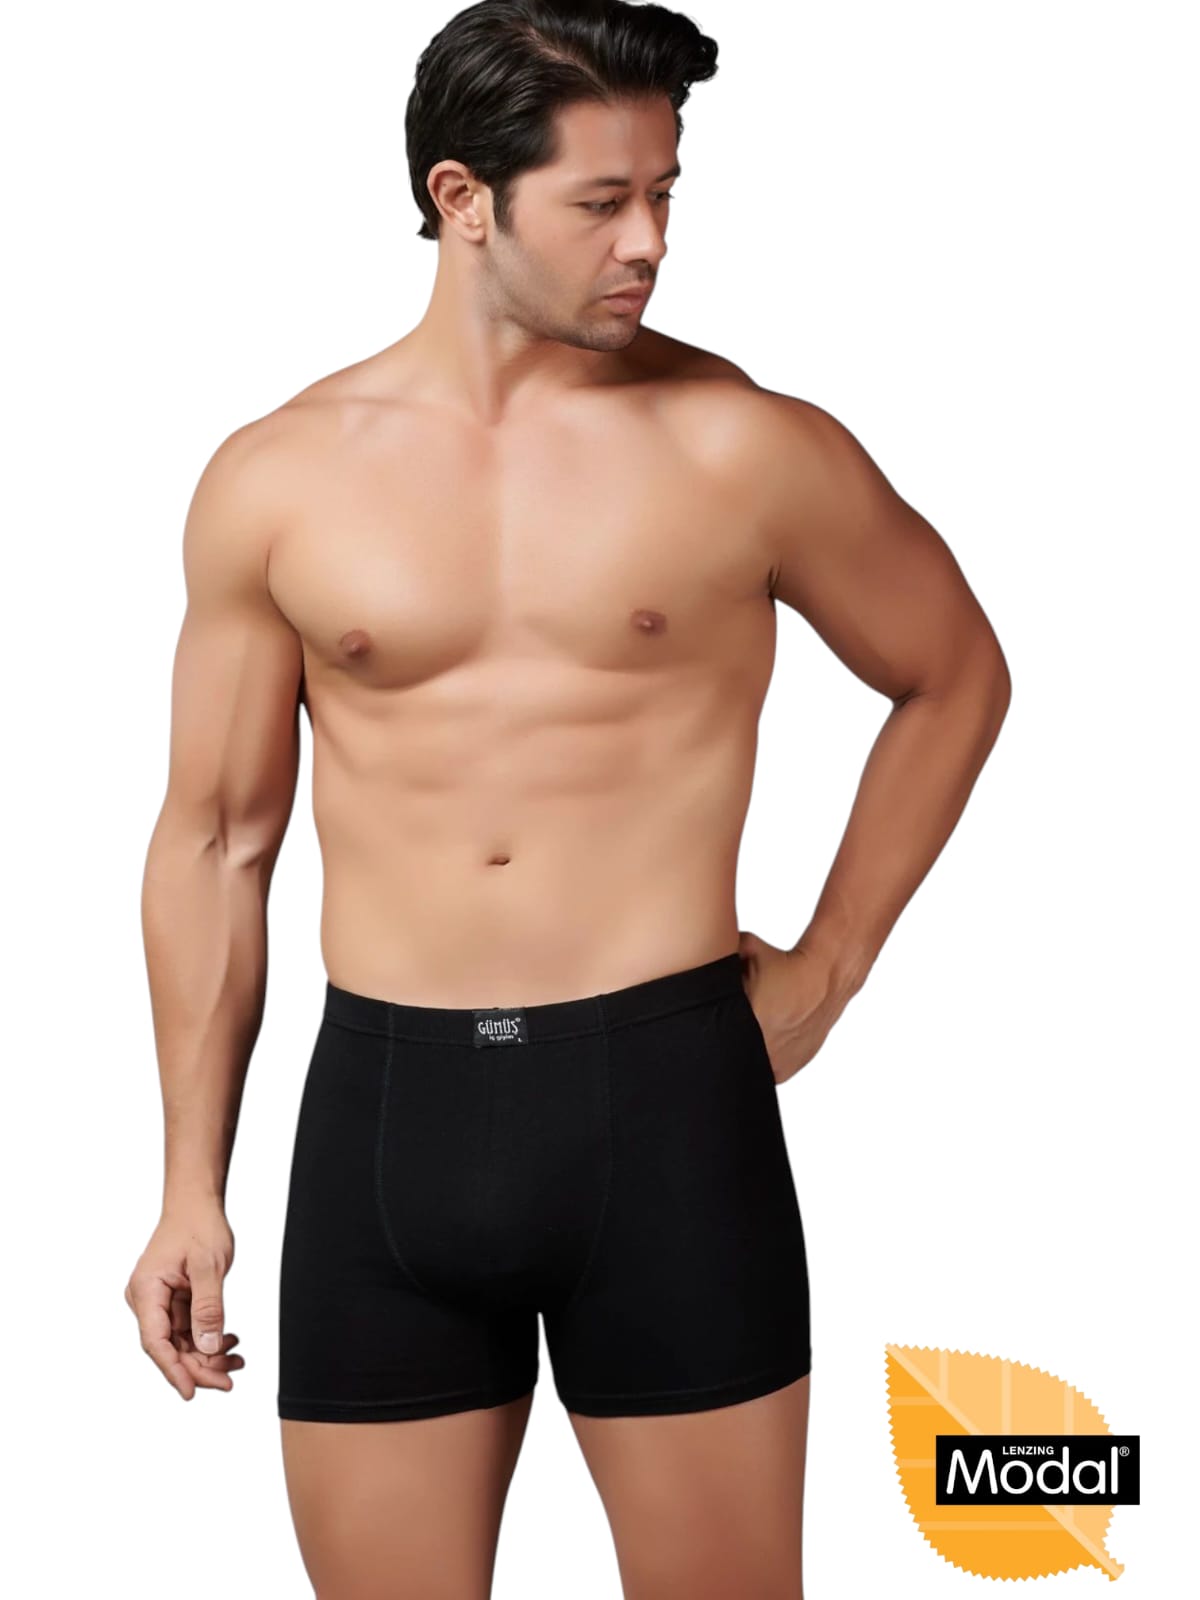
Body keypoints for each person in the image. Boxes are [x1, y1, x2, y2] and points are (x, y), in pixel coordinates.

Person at [124, 1, 1011, 1594]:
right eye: (603, 201)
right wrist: (190, 1184)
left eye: (664, 193)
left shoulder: (745, 446)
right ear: (463, 199)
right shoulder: (279, 477)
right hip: (385, 1123)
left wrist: (831, 966)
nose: (650, 240)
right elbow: (216, 840)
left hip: (665, 1105)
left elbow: (954, 673)